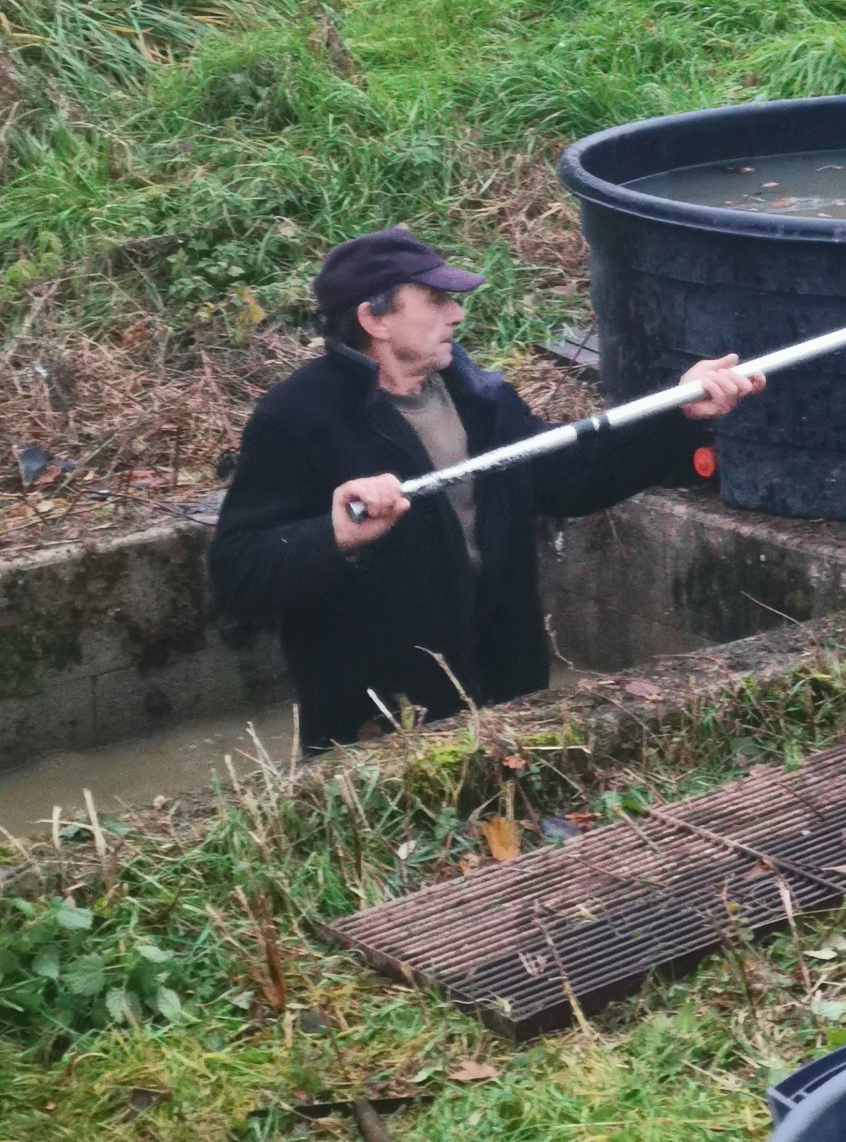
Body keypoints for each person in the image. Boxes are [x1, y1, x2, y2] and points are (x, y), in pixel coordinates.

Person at [208, 227, 762, 752]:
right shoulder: (299, 418)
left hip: (507, 696)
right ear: (373, 320)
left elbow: (570, 480)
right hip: (383, 724)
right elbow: (237, 573)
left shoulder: (479, 398)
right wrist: (334, 536)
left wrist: (676, 414)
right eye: (436, 300)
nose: (458, 313)